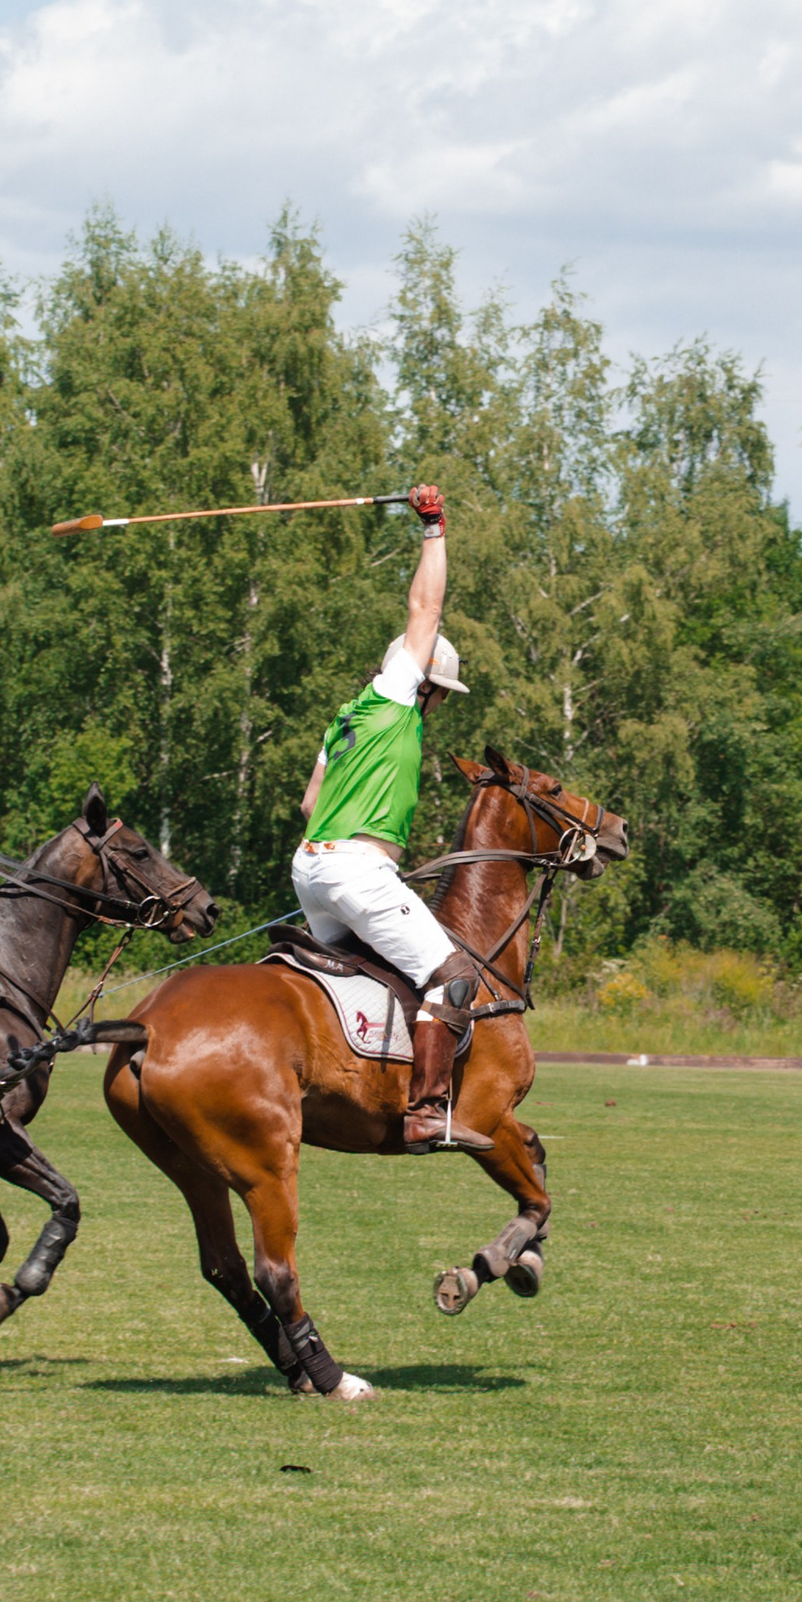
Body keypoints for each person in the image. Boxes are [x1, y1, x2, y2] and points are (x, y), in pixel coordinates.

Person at [292, 484, 493, 1153]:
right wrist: (434, 528)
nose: (440, 705)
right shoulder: (394, 694)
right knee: (452, 975)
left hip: (311, 867)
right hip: (354, 870)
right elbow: (424, 607)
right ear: (424, 682)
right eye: (441, 694)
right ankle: (427, 1111)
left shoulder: (344, 719)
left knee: (377, 973)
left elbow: (310, 806)